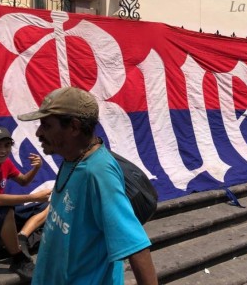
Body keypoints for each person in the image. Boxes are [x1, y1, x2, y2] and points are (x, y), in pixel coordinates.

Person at [18, 86, 158, 285]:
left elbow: (136, 246)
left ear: (74, 127)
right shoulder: (72, 159)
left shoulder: (98, 173)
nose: (39, 132)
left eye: (46, 125)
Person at [0, 126, 51, 280]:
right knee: (6, 209)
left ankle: (22, 237)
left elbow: (23, 181)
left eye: (7, 145)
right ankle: (18, 259)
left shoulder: (6, 164)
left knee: (45, 207)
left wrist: (36, 168)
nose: (3, 150)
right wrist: (33, 196)